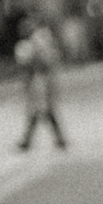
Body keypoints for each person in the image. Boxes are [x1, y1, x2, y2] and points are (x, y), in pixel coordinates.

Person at [15, 15, 67, 151]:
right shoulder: (31, 43)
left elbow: (46, 62)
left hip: (42, 81)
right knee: (39, 111)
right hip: (38, 81)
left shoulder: (39, 41)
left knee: (42, 110)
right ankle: (57, 139)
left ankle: (30, 141)